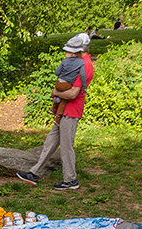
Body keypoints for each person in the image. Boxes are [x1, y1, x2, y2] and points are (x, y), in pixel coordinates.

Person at [18, 32, 93, 190]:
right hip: (63, 110)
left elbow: (73, 93)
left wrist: (56, 92)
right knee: (50, 142)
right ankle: (34, 173)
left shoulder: (85, 65)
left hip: (71, 110)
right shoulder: (79, 62)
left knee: (66, 146)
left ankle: (71, 180)